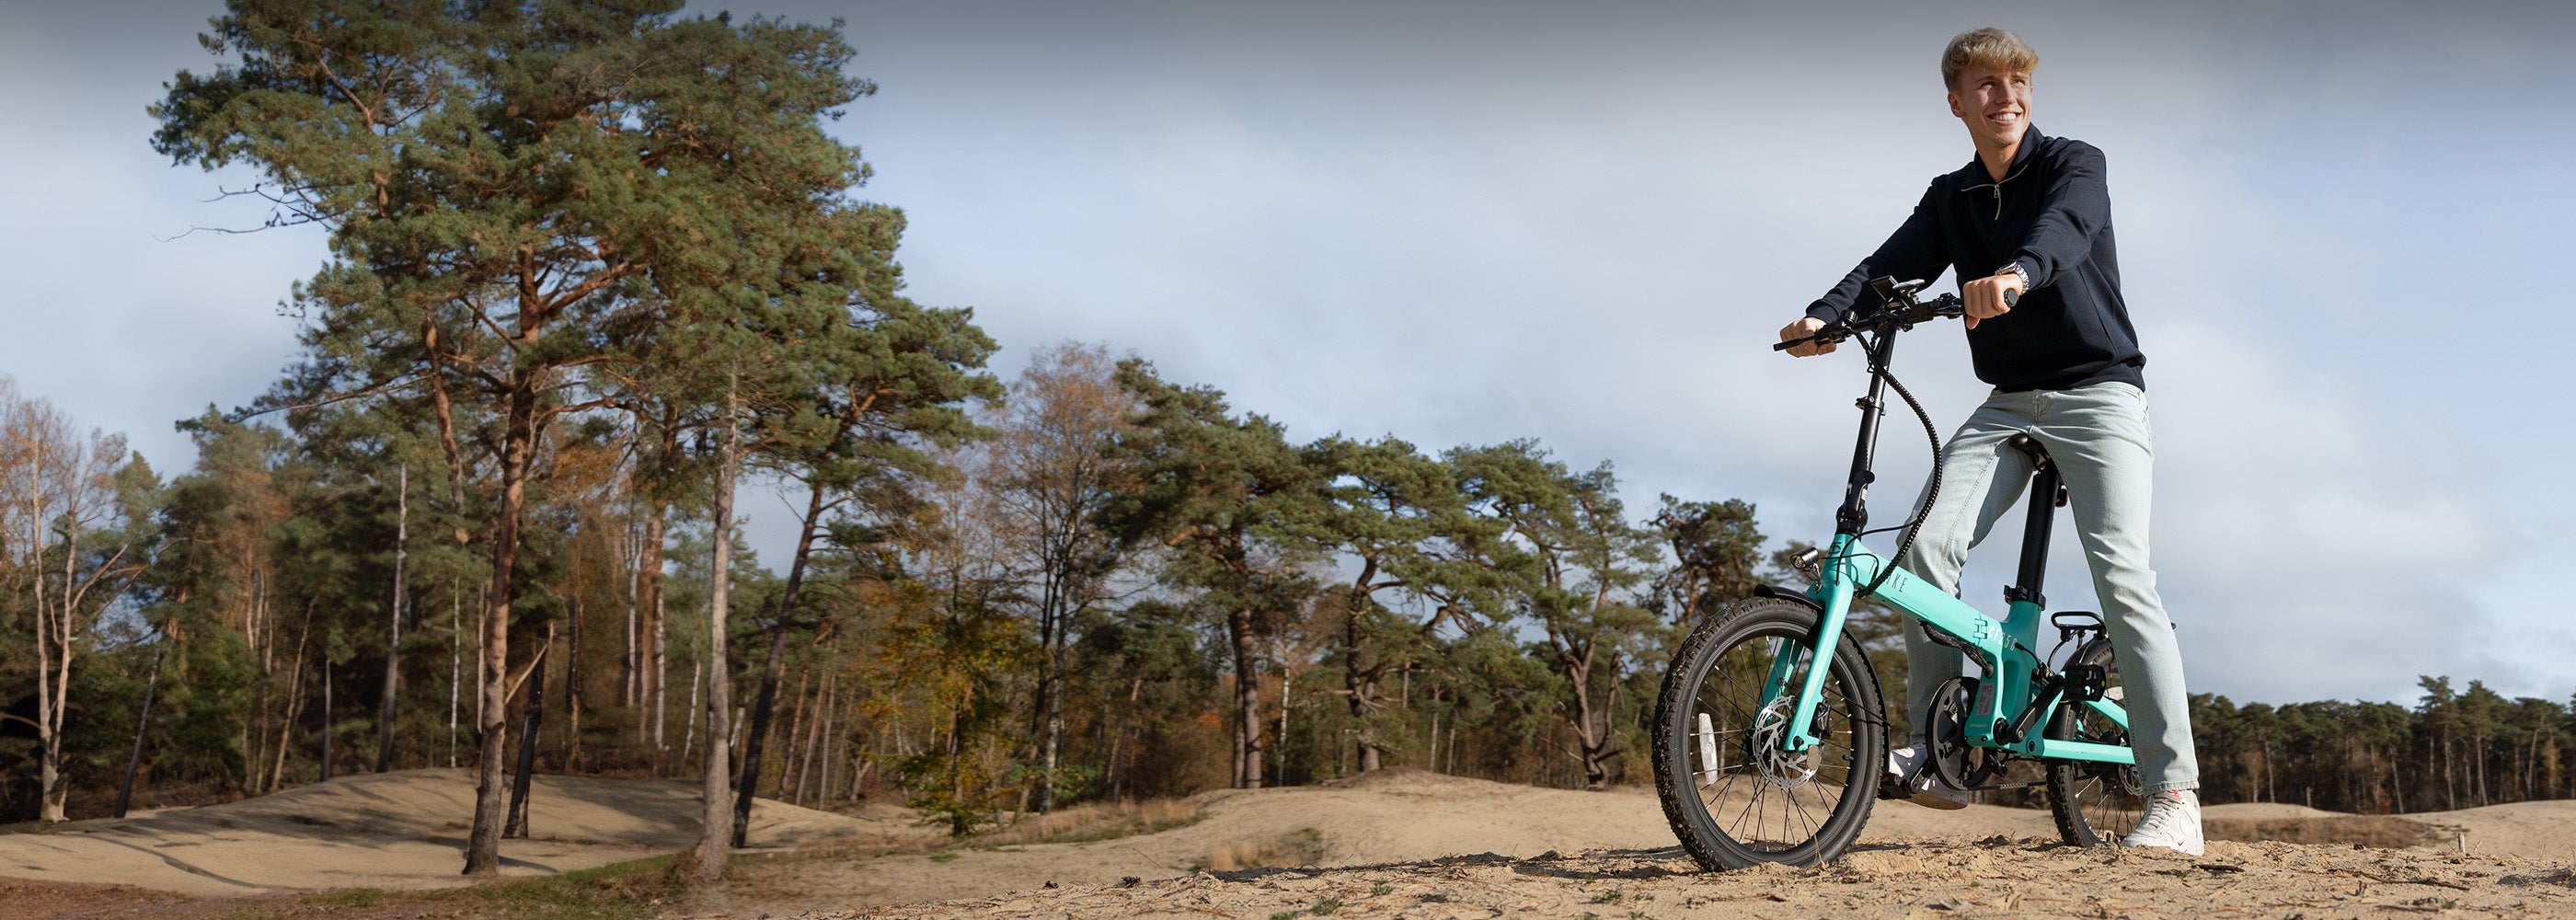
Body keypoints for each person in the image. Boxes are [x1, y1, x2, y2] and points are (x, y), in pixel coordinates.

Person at [1778, 28, 2203, 856]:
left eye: (2018, 83)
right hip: (2009, 404)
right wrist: (1826, 316)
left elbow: (2064, 231)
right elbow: (1887, 265)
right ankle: (1941, 753)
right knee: (1921, 552)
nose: (2005, 97)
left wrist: (2014, 275)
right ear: (1956, 102)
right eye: (1985, 84)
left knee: (2123, 576)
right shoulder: (1953, 196)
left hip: (2100, 392)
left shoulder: (2075, 164)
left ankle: (2174, 793)